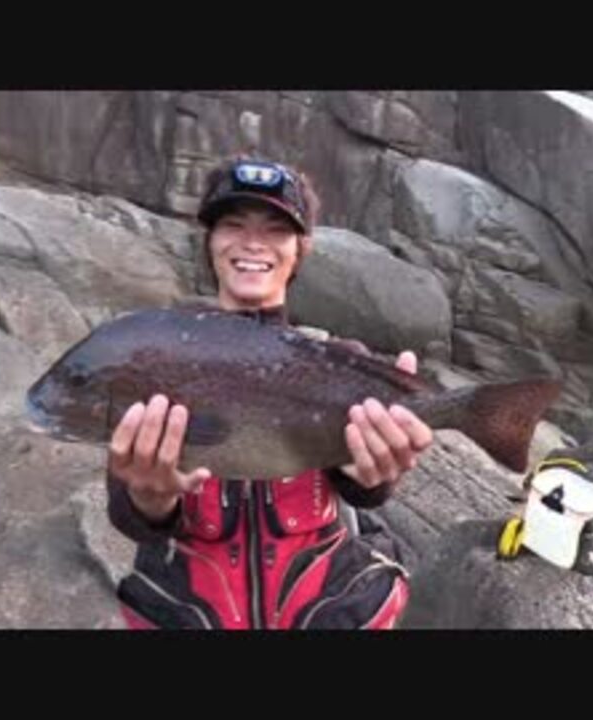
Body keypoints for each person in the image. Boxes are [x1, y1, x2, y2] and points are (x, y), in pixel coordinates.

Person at [106, 156, 434, 629]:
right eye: (233, 224)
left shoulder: (342, 360)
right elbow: (127, 514)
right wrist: (149, 500)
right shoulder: (157, 360)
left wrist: (375, 474)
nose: (253, 242)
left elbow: (366, 494)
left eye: (277, 229)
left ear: (301, 249)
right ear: (209, 241)